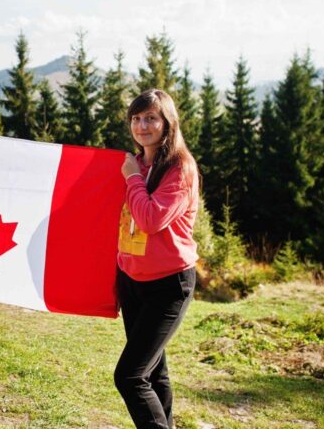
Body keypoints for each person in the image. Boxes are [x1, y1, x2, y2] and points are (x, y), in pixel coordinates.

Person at [114, 89, 200, 428]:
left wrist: (133, 176)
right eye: (136, 118)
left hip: (168, 285)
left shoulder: (180, 168)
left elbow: (150, 219)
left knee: (130, 377)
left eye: (151, 118)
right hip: (133, 281)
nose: (142, 125)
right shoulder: (137, 163)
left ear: (168, 123)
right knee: (154, 371)